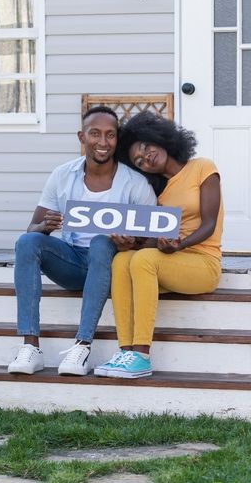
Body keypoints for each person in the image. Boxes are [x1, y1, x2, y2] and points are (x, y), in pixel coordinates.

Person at [7, 106, 156, 376]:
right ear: (81, 137)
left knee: (101, 242)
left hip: (110, 264)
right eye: (95, 134)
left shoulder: (135, 183)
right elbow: (32, 227)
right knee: (26, 242)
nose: (102, 142)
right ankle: (30, 346)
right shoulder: (63, 175)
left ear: (117, 140)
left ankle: (82, 346)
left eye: (110, 135)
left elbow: (152, 241)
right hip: (72, 261)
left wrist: (130, 243)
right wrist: (44, 226)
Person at [94, 111, 223, 379]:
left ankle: (141, 355)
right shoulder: (159, 194)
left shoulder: (203, 168)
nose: (146, 157)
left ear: (158, 138)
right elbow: (154, 240)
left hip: (203, 263)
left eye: (145, 147)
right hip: (172, 262)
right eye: (139, 161)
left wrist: (179, 245)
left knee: (143, 260)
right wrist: (130, 242)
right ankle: (126, 351)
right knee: (122, 260)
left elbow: (209, 223)